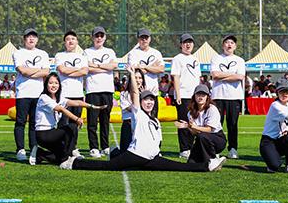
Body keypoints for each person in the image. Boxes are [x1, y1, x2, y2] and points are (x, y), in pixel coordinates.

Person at [61, 63, 226, 172]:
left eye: (151, 100)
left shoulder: (155, 121)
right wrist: (132, 75)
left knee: (178, 166)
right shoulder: (138, 113)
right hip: (135, 155)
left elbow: (157, 142)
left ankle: (207, 165)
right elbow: (134, 92)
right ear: (140, 102)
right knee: (107, 166)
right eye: (145, 100)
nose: (149, 102)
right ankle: (74, 163)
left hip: (151, 158)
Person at [30, 73, 105, 165]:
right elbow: (61, 109)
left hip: (52, 133)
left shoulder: (58, 98)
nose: (54, 85)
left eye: (56, 83)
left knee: (61, 156)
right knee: (72, 127)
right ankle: (67, 158)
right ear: (46, 85)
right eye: (51, 83)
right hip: (44, 135)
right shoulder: (44, 98)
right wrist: (77, 119)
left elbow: (76, 102)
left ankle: (39, 155)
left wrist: (92, 106)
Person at [13, 28, 50, 161]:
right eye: (29, 36)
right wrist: (37, 71)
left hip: (38, 93)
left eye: (34, 37)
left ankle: (34, 148)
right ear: (24, 39)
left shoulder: (43, 54)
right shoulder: (18, 53)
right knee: (20, 122)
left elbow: (46, 72)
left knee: (35, 123)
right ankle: (20, 149)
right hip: (23, 93)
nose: (31, 39)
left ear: (37, 39)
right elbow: (22, 71)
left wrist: (29, 72)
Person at [83, 26, 118, 159]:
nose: (99, 38)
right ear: (92, 37)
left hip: (107, 90)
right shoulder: (87, 52)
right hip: (92, 90)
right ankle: (93, 147)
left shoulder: (110, 51)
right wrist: (105, 67)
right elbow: (87, 68)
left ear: (105, 37)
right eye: (96, 36)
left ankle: (105, 146)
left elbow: (114, 66)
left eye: (101, 36)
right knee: (92, 121)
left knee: (105, 121)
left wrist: (96, 65)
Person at [54, 30, 89, 157]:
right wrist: (77, 70)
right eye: (68, 39)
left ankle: (73, 148)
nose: (70, 41)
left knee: (75, 123)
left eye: (73, 39)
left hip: (78, 94)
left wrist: (69, 71)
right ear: (64, 42)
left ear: (77, 42)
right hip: (63, 95)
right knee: (63, 123)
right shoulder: (59, 55)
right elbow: (62, 70)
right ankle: (61, 148)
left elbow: (84, 72)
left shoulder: (82, 57)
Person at [210, 34, 245, 159]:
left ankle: (232, 149)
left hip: (234, 97)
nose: (229, 44)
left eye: (232, 43)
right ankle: (215, 149)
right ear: (222, 45)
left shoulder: (240, 60)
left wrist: (222, 76)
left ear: (235, 46)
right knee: (216, 124)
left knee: (233, 125)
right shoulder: (216, 59)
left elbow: (240, 77)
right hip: (218, 96)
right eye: (227, 42)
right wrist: (231, 74)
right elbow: (215, 75)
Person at [175, 84, 227, 166]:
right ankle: (209, 161)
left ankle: (212, 159)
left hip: (217, 139)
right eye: (198, 94)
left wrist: (193, 126)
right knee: (191, 164)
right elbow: (196, 134)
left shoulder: (212, 109)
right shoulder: (190, 113)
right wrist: (189, 127)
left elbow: (209, 130)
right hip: (202, 139)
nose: (200, 97)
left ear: (207, 97)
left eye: (203, 95)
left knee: (202, 136)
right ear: (194, 96)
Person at [171, 34, 201, 159]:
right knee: (183, 122)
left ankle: (191, 147)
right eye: (185, 42)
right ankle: (184, 149)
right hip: (183, 95)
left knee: (193, 123)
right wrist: (178, 95)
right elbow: (176, 77)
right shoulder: (177, 59)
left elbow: (198, 78)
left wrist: (199, 95)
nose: (188, 45)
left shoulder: (195, 59)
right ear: (181, 44)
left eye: (190, 42)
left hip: (194, 96)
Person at [117, 68, 147, 155]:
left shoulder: (146, 94)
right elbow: (131, 109)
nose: (138, 80)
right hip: (128, 125)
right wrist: (139, 97)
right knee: (125, 154)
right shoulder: (124, 94)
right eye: (135, 77)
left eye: (140, 78)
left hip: (141, 126)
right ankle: (113, 153)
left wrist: (145, 96)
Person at [128, 27, 165, 94]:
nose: (144, 39)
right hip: (138, 91)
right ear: (138, 39)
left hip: (153, 91)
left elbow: (161, 69)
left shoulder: (156, 53)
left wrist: (145, 67)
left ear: (150, 38)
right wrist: (153, 67)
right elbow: (135, 72)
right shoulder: (133, 53)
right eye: (142, 37)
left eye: (146, 37)